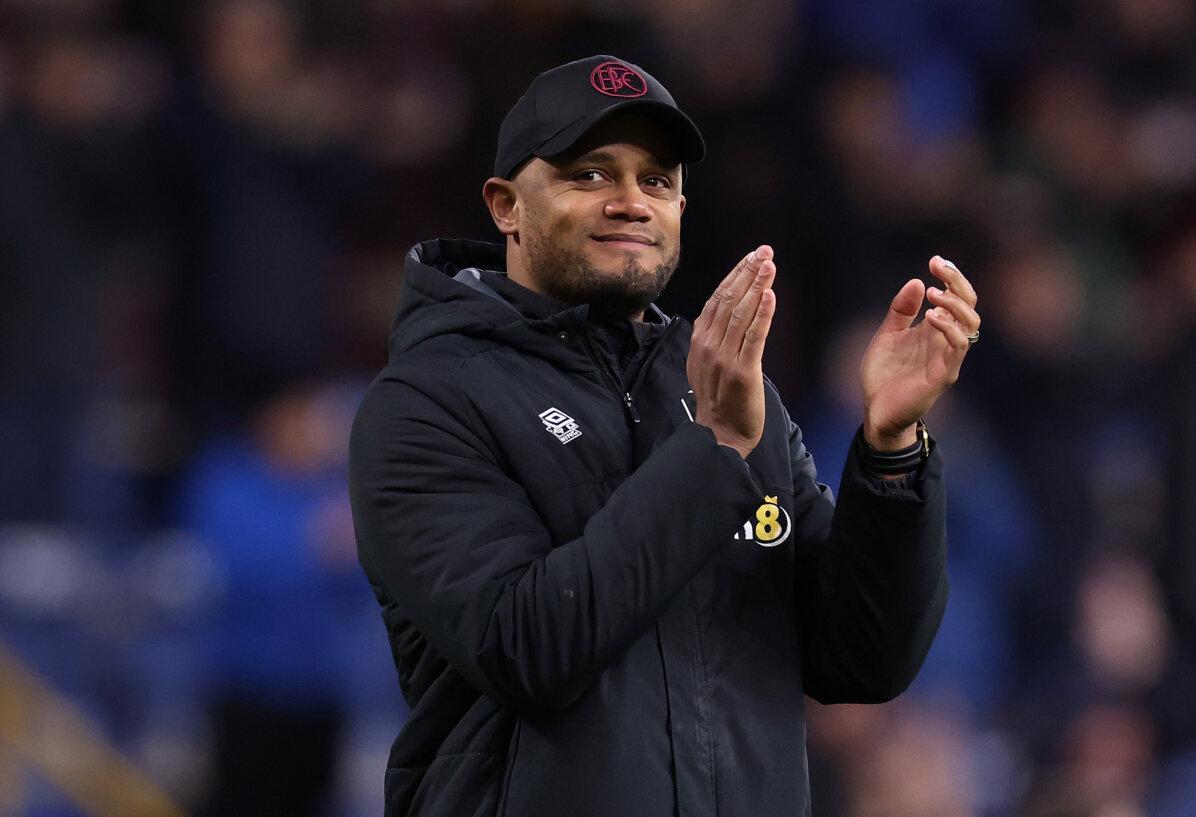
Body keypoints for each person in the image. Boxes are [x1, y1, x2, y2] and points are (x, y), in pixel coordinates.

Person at [348, 55, 981, 817]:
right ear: (506, 204)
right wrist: (713, 452)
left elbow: (863, 660)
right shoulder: (427, 399)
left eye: (657, 180)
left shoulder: (726, 390)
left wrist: (890, 447)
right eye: (590, 175)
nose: (631, 202)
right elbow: (525, 647)